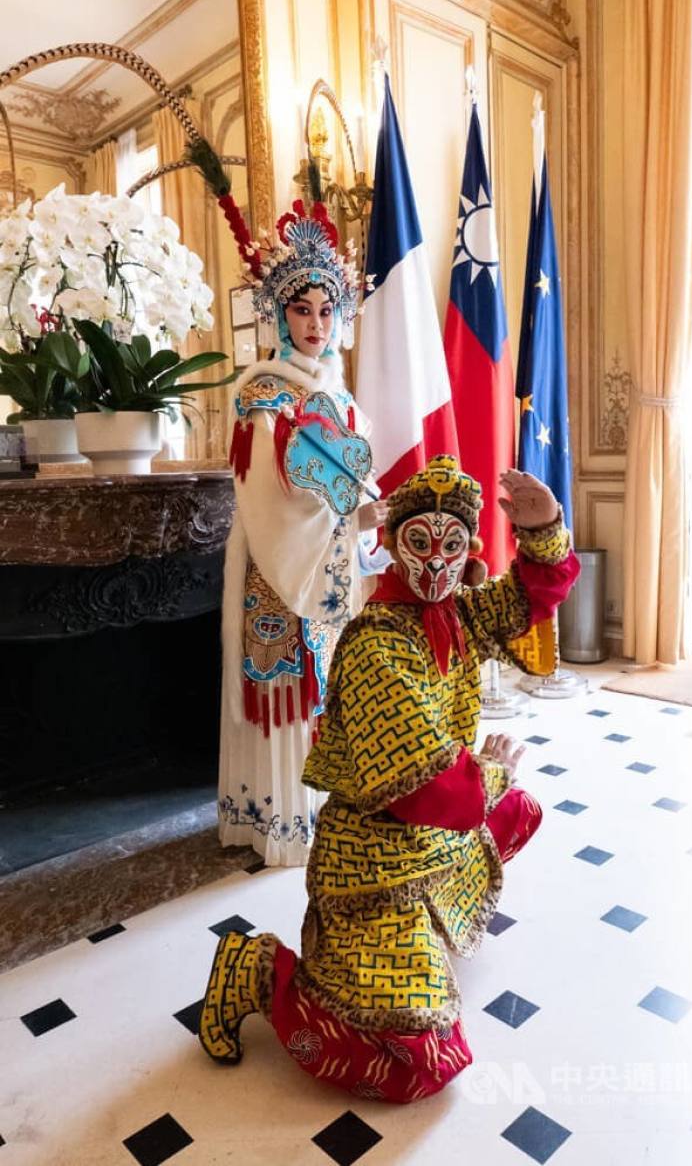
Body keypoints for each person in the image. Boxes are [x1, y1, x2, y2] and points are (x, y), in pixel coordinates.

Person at [201, 455, 579, 1102]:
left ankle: (423, 931)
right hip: (372, 868)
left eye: (452, 545)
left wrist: (544, 527)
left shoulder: (454, 615)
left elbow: (527, 597)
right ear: (397, 547)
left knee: (522, 810)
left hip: (432, 839)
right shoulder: (379, 645)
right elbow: (434, 791)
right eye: (420, 543)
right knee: (421, 1062)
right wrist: (487, 771)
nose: (436, 563)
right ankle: (260, 972)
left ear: (467, 548)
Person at [218, 199, 386, 867]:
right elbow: (271, 497)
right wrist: (353, 520)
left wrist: (364, 516)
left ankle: (331, 807)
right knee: (290, 689)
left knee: (331, 685)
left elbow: (349, 476)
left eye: (326, 309)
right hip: (281, 566)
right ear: (278, 314)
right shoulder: (263, 394)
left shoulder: (338, 396)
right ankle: (281, 823)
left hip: (332, 566)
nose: (316, 323)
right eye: (301, 308)